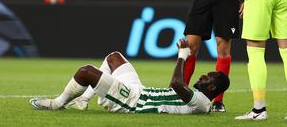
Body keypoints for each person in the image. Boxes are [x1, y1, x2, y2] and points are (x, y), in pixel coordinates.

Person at [29, 39, 230, 114]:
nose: (203, 76)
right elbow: (175, 86)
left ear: (212, 88)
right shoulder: (198, 96)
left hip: (133, 102)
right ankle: (82, 99)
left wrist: (182, 56)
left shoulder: (203, 103)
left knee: (85, 72)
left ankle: (58, 103)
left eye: (208, 77)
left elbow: (177, 83)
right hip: (140, 91)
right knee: (114, 57)